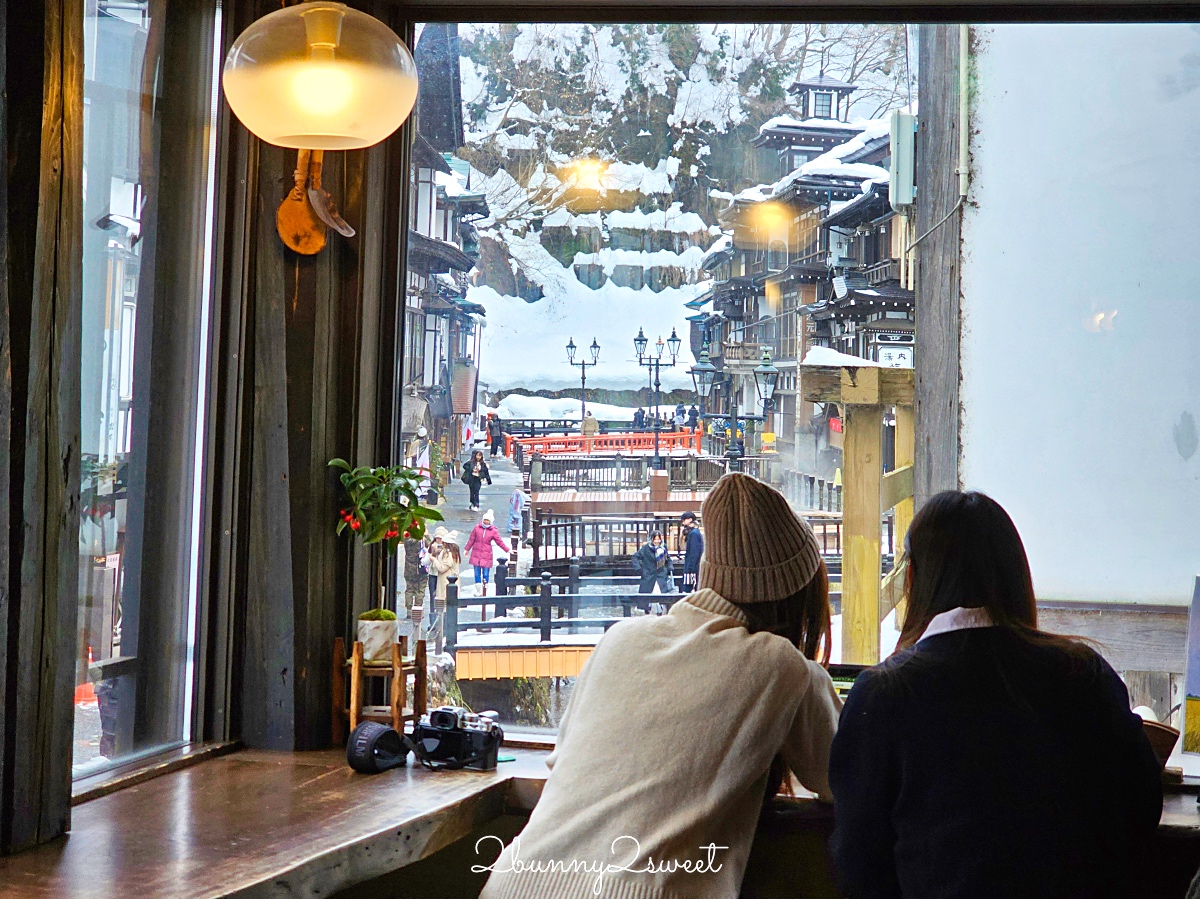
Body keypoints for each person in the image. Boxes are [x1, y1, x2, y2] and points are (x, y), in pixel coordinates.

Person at [479, 472, 840, 899]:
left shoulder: (619, 638)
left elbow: (564, 766)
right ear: (797, 592)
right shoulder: (782, 667)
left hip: (514, 883)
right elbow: (848, 778)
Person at [828, 490, 1163, 899]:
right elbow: (1142, 809)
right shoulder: (1083, 673)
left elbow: (859, 865)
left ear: (913, 579)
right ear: (1017, 579)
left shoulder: (883, 696)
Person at [464, 509, 510, 598]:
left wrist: (507, 550)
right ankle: (478, 590)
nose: (486, 522)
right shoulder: (477, 528)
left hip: (486, 554)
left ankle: (484, 588)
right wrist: (467, 549)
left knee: (485, 573)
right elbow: (471, 539)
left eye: (488, 520)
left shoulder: (493, 531)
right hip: (476, 553)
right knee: (477, 573)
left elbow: (499, 542)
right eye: (485, 520)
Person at [634, 530, 674, 596]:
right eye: (655, 539)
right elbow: (635, 557)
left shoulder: (663, 547)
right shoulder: (646, 548)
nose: (657, 541)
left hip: (661, 575)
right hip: (648, 575)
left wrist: (670, 567)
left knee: (662, 598)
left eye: (658, 539)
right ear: (651, 539)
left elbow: (668, 558)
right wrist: (639, 569)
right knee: (645, 598)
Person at [680, 510, 703, 591]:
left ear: (690, 519)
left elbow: (694, 552)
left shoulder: (693, 533)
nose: (683, 522)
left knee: (687, 588)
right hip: (694, 566)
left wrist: (690, 568)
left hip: (692, 567)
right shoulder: (695, 532)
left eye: (684, 520)